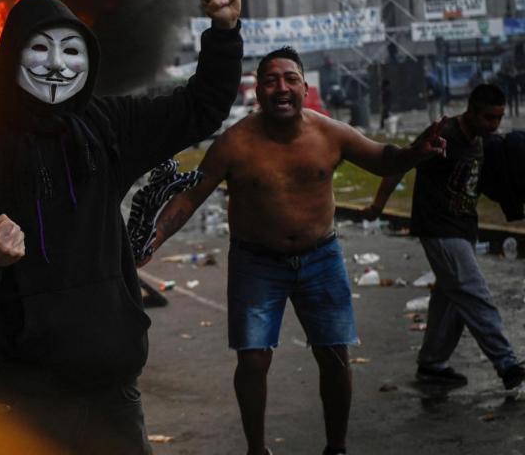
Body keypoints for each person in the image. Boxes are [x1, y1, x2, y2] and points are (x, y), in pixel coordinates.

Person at [0, 0, 243, 454]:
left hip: (110, 395)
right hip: (18, 404)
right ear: (11, 56)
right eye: (40, 49)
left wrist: (224, 32)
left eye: (71, 50)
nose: (57, 65)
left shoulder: (106, 127)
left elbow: (200, 108)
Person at [148, 46, 447, 455]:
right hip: (256, 262)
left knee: (334, 354)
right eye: (271, 81)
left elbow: (383, 160)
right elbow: (189, 198)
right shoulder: (234, 144)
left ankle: (336, 447)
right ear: (258, 91)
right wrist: (152, 240)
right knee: (253, 359)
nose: (281, 88)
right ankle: (257, 449)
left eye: (290, 79)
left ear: (305, 87)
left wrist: (416, 152)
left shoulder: (331, 133)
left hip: (320, 257)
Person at [365, 84, 525, 393]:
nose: (495, 125)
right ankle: (506, 364)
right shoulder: (444, 134)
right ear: (472, 111)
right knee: (473, 292)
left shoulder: (483, 141)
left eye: (499, 117)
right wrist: (377, 206)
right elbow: (400, 165)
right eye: (489, 117)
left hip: (464, 228)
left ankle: (432, 364)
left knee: (451, 298)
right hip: (439, 228)